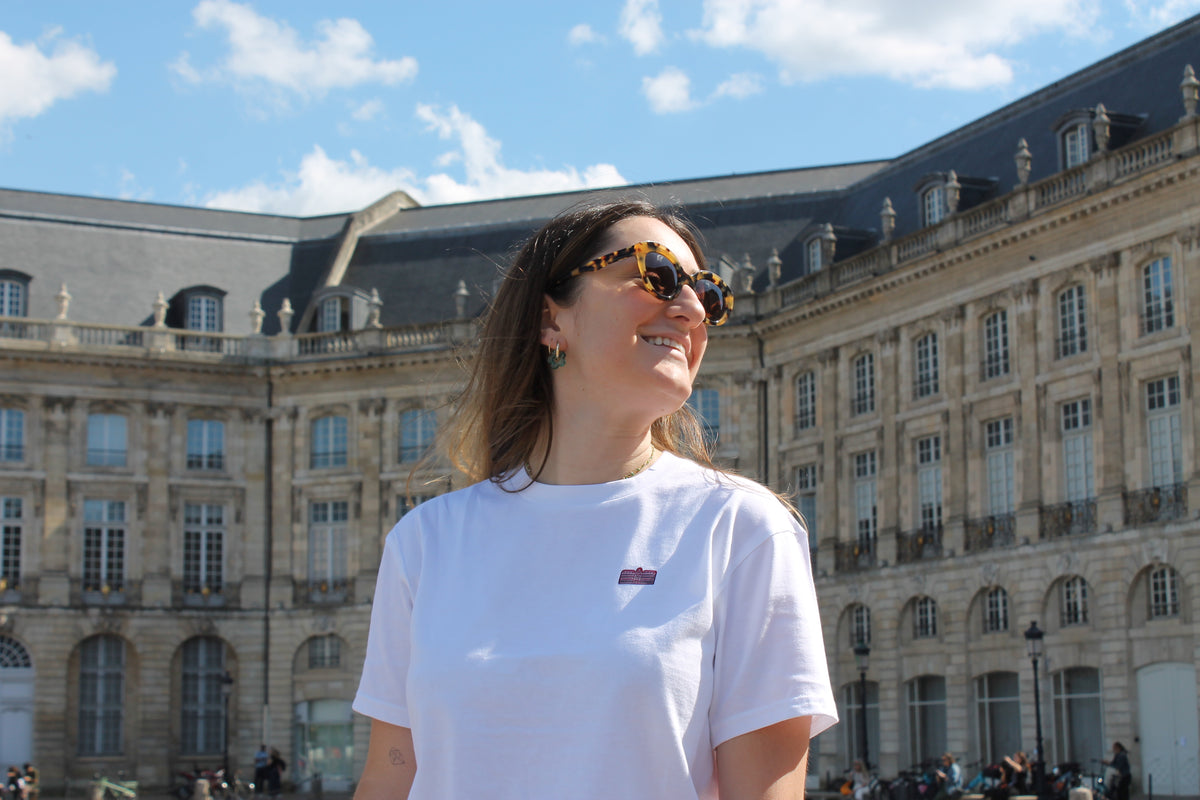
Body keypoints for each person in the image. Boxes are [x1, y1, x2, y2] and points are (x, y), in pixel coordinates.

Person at [352, 198, 838, 800]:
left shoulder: (742, 529)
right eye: (655, 275)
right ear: (551, 320)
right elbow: (390, 776)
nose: (690, 309)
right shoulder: (426, 542)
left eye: (707, 293)